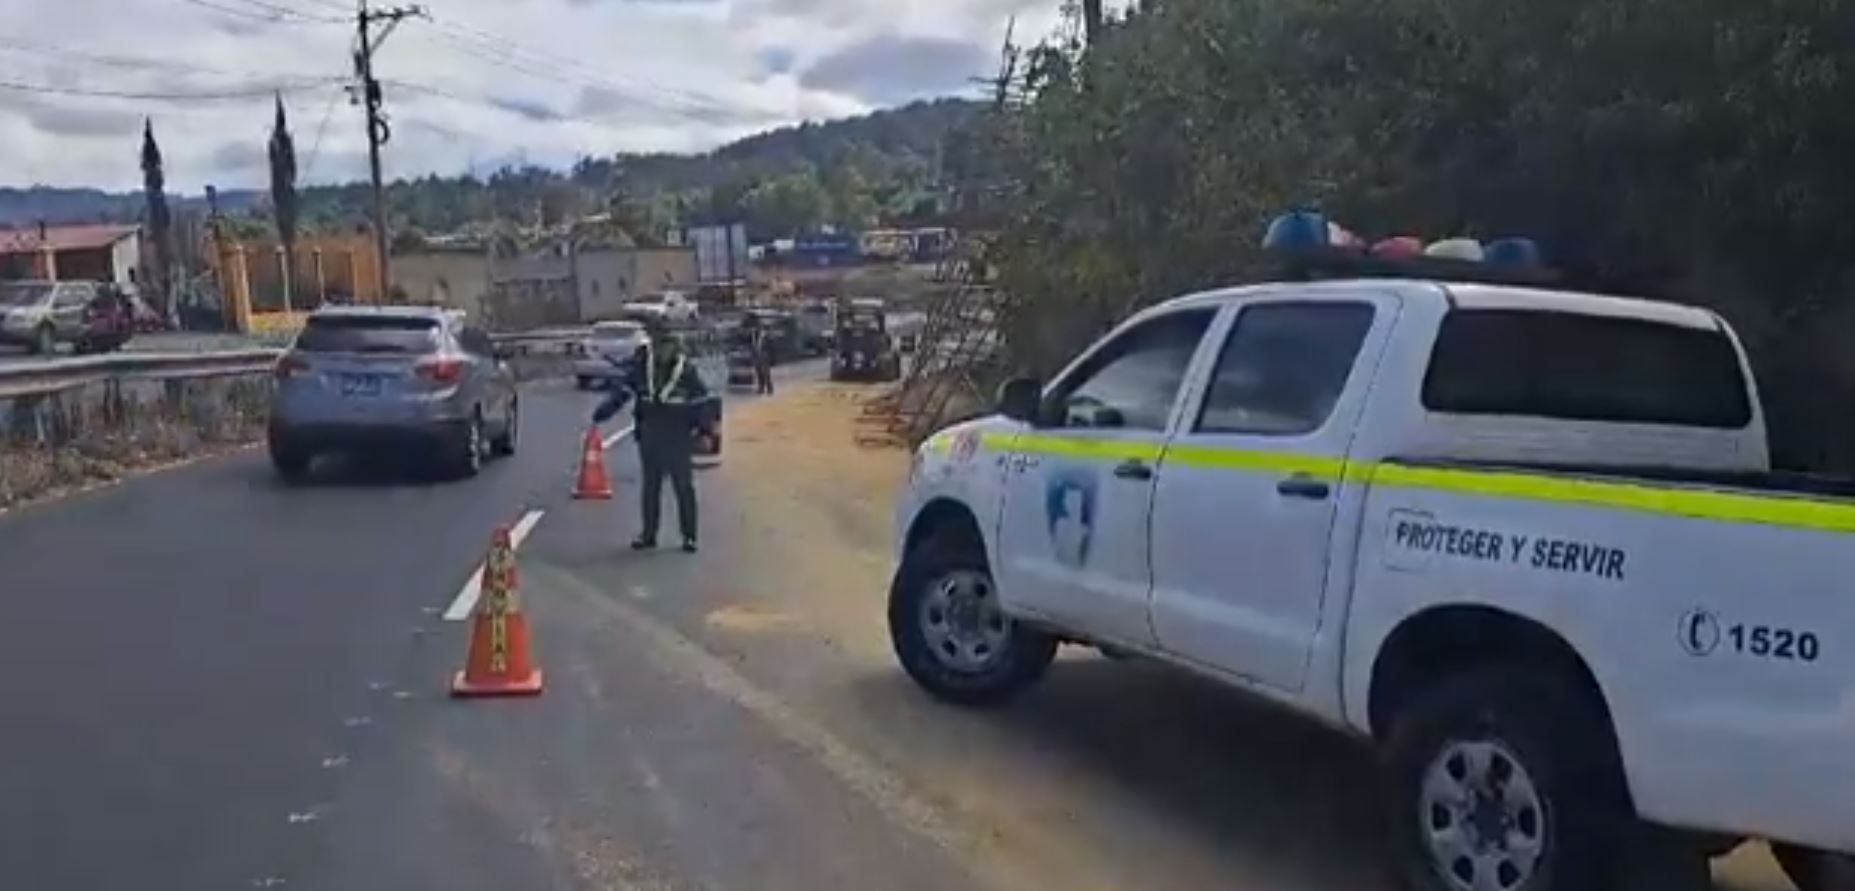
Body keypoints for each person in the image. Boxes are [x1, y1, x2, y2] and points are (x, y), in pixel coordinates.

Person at [591, 331, 712, 552]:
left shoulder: (686, 371)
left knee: (683, 487)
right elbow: (622, 393)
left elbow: (702, 402)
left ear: (675, 348)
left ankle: (689, 536)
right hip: (650, 434)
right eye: (659, 346)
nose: (662, 351)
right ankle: (648, 534)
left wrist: (705, 432)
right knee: (650, 487)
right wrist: (601, 413)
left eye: (667, 346)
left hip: (678, 435)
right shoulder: (642, 369)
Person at [750, 323, 774, 395]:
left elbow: (770, 346)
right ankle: (761, 388)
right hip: (756, 355)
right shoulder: (753, 335)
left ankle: (770, 389)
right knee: (759, 373)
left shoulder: (765, 335)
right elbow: (752, 345)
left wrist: (770, 356)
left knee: (766, 373)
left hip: (764, 355)